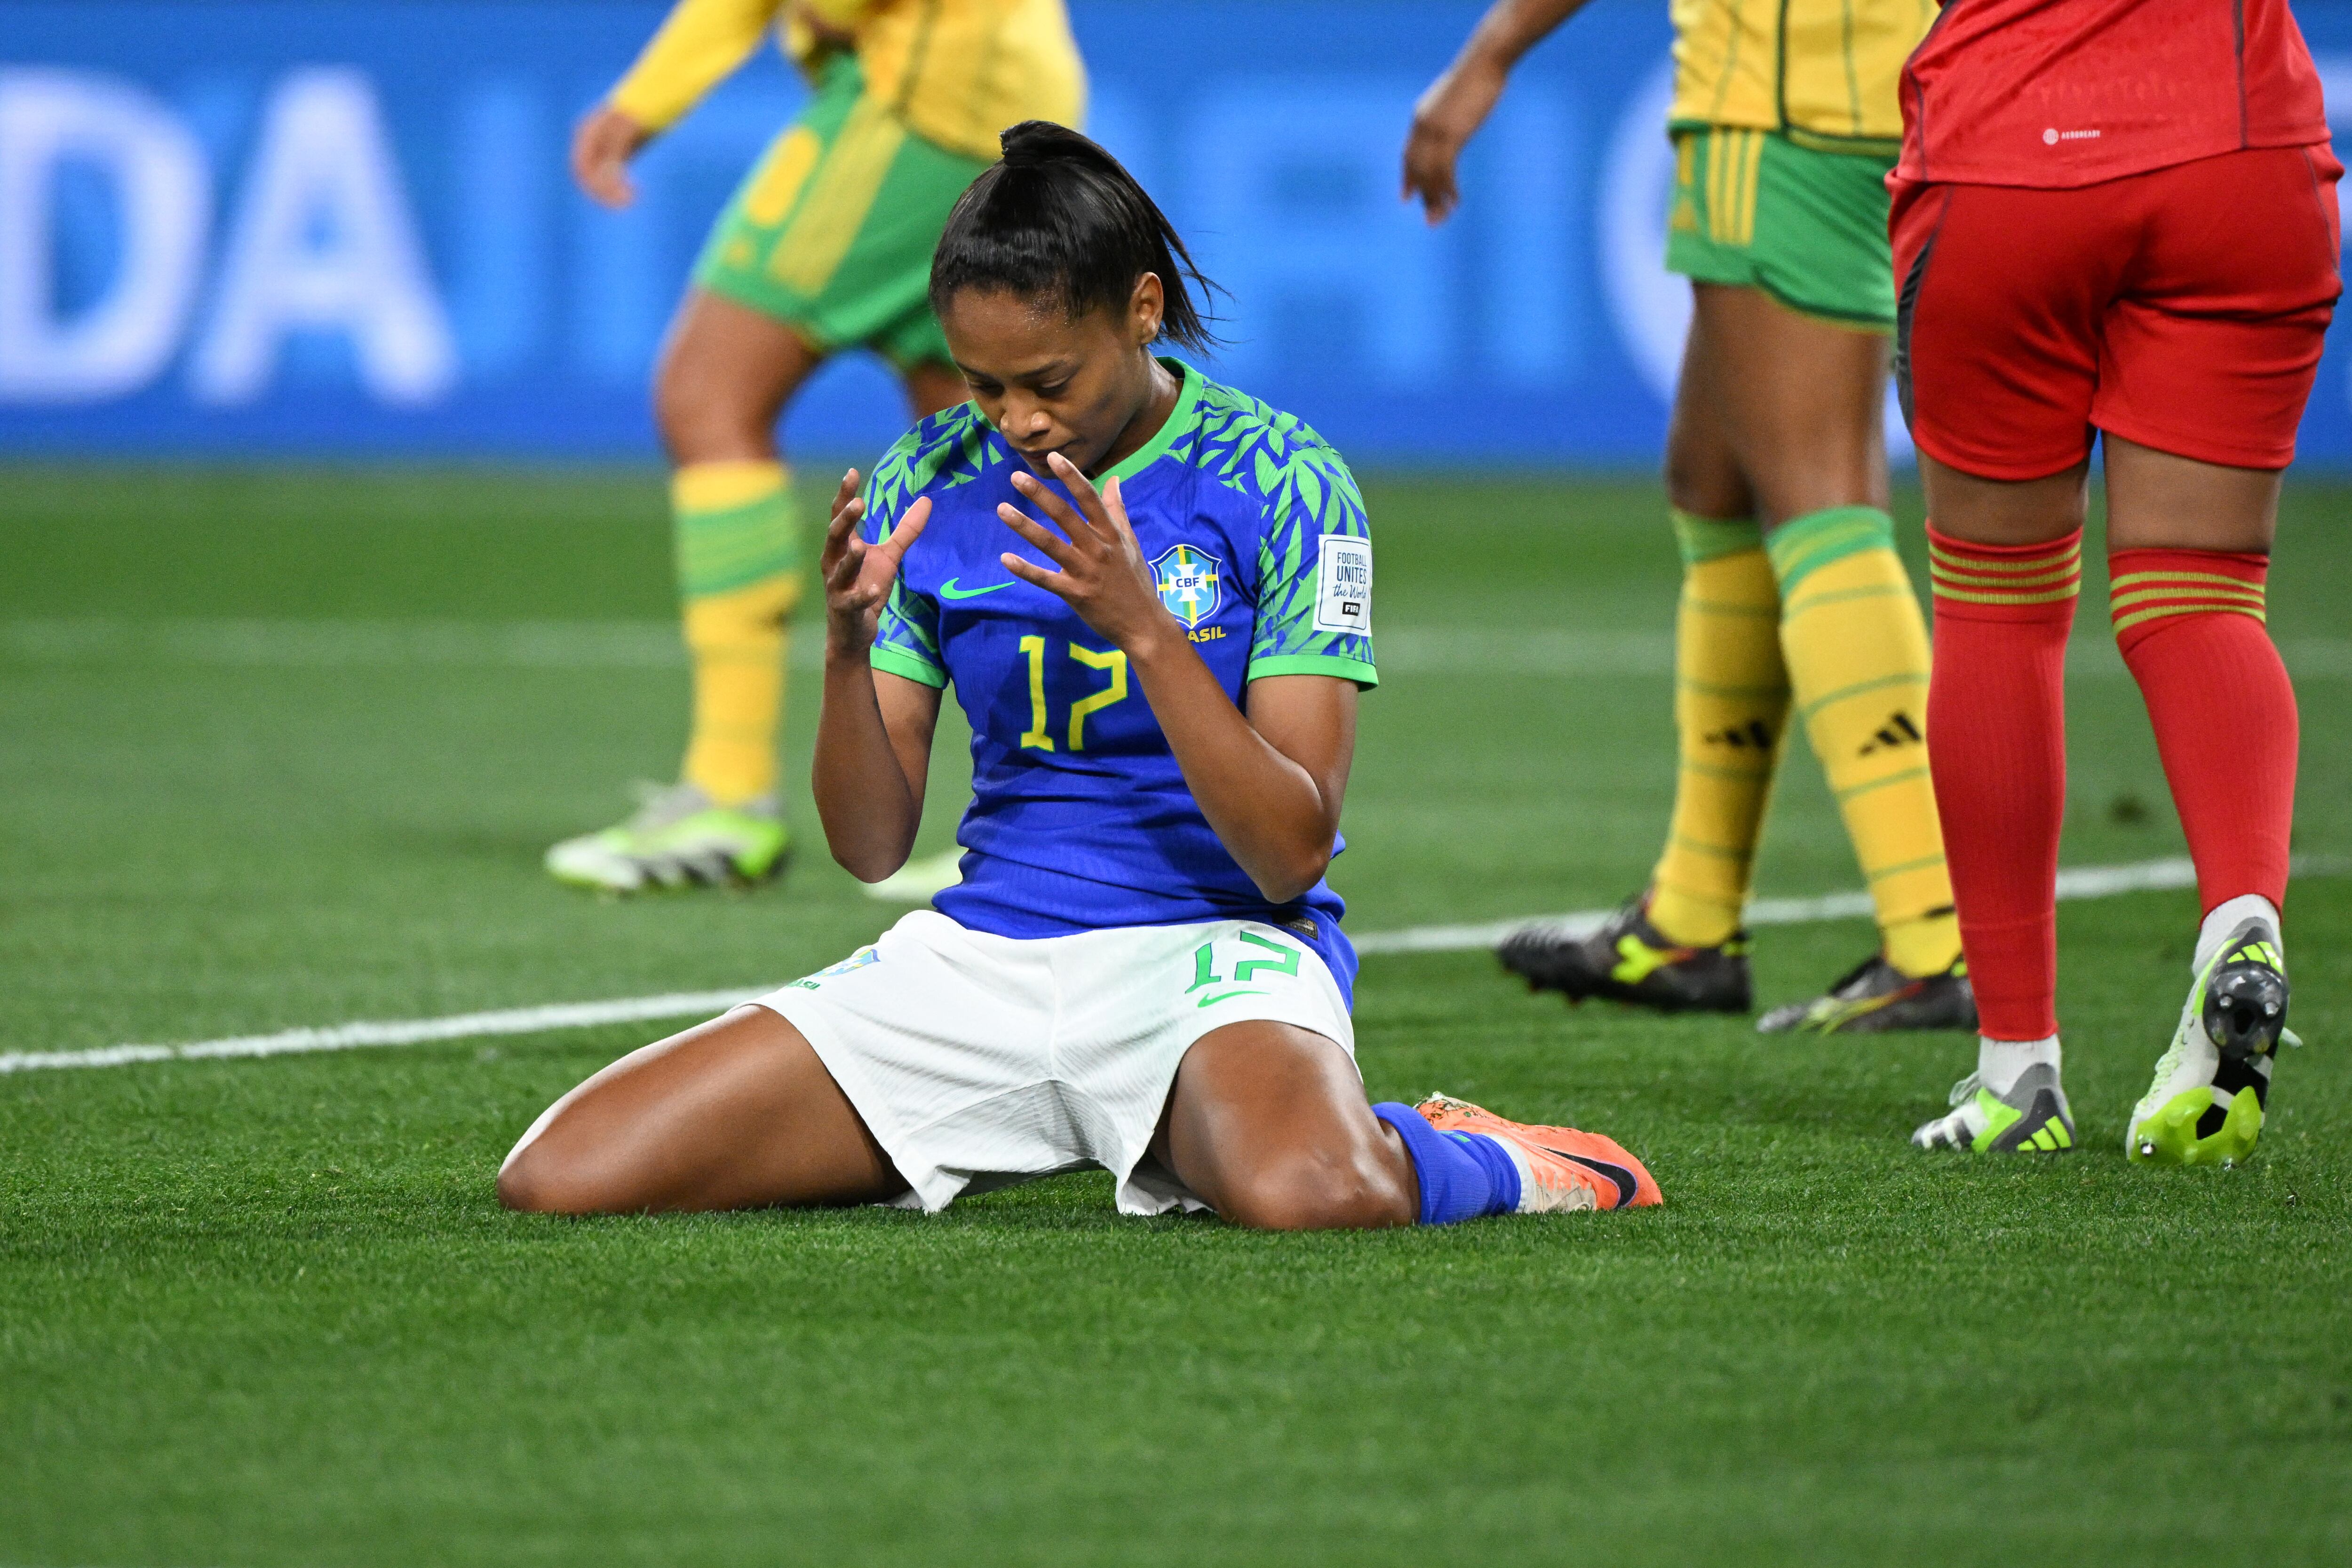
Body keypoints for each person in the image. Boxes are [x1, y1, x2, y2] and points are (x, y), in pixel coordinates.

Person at [498, 124, 1663, 1227]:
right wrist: (846, 651)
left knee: (1319, 1191)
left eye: (1047, 382)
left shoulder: (1282, 480)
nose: (1015, 421)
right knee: (561, 1174)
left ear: (1142, 311)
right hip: (981, 958)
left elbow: (1290, 850)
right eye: (981, 384)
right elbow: (867, 847)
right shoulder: (929, 477)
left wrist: (1141, 625)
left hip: (1213, 956)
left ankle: (1474, 1150)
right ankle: (1091, 1122)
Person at [1403, 0, 1974, 1035]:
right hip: (1891, 83)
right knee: (1713, 484)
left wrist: (1488, 54)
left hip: (1783, 99)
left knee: (1820, 500)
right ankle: (1692, 921)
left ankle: (1932, 936)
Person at [1897, 0, 2335, 1161]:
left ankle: (2016, 1072)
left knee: (1996, 606)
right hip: (2242, 151)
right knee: (2201, 593)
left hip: (2005, 151)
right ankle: (2241, 913)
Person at [546, 0, 1085, 893]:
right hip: (997, 88)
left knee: (709, 391)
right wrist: (650, 96)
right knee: (993, 451)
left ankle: (727, 789)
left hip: (921, 96)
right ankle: (1059, 813)